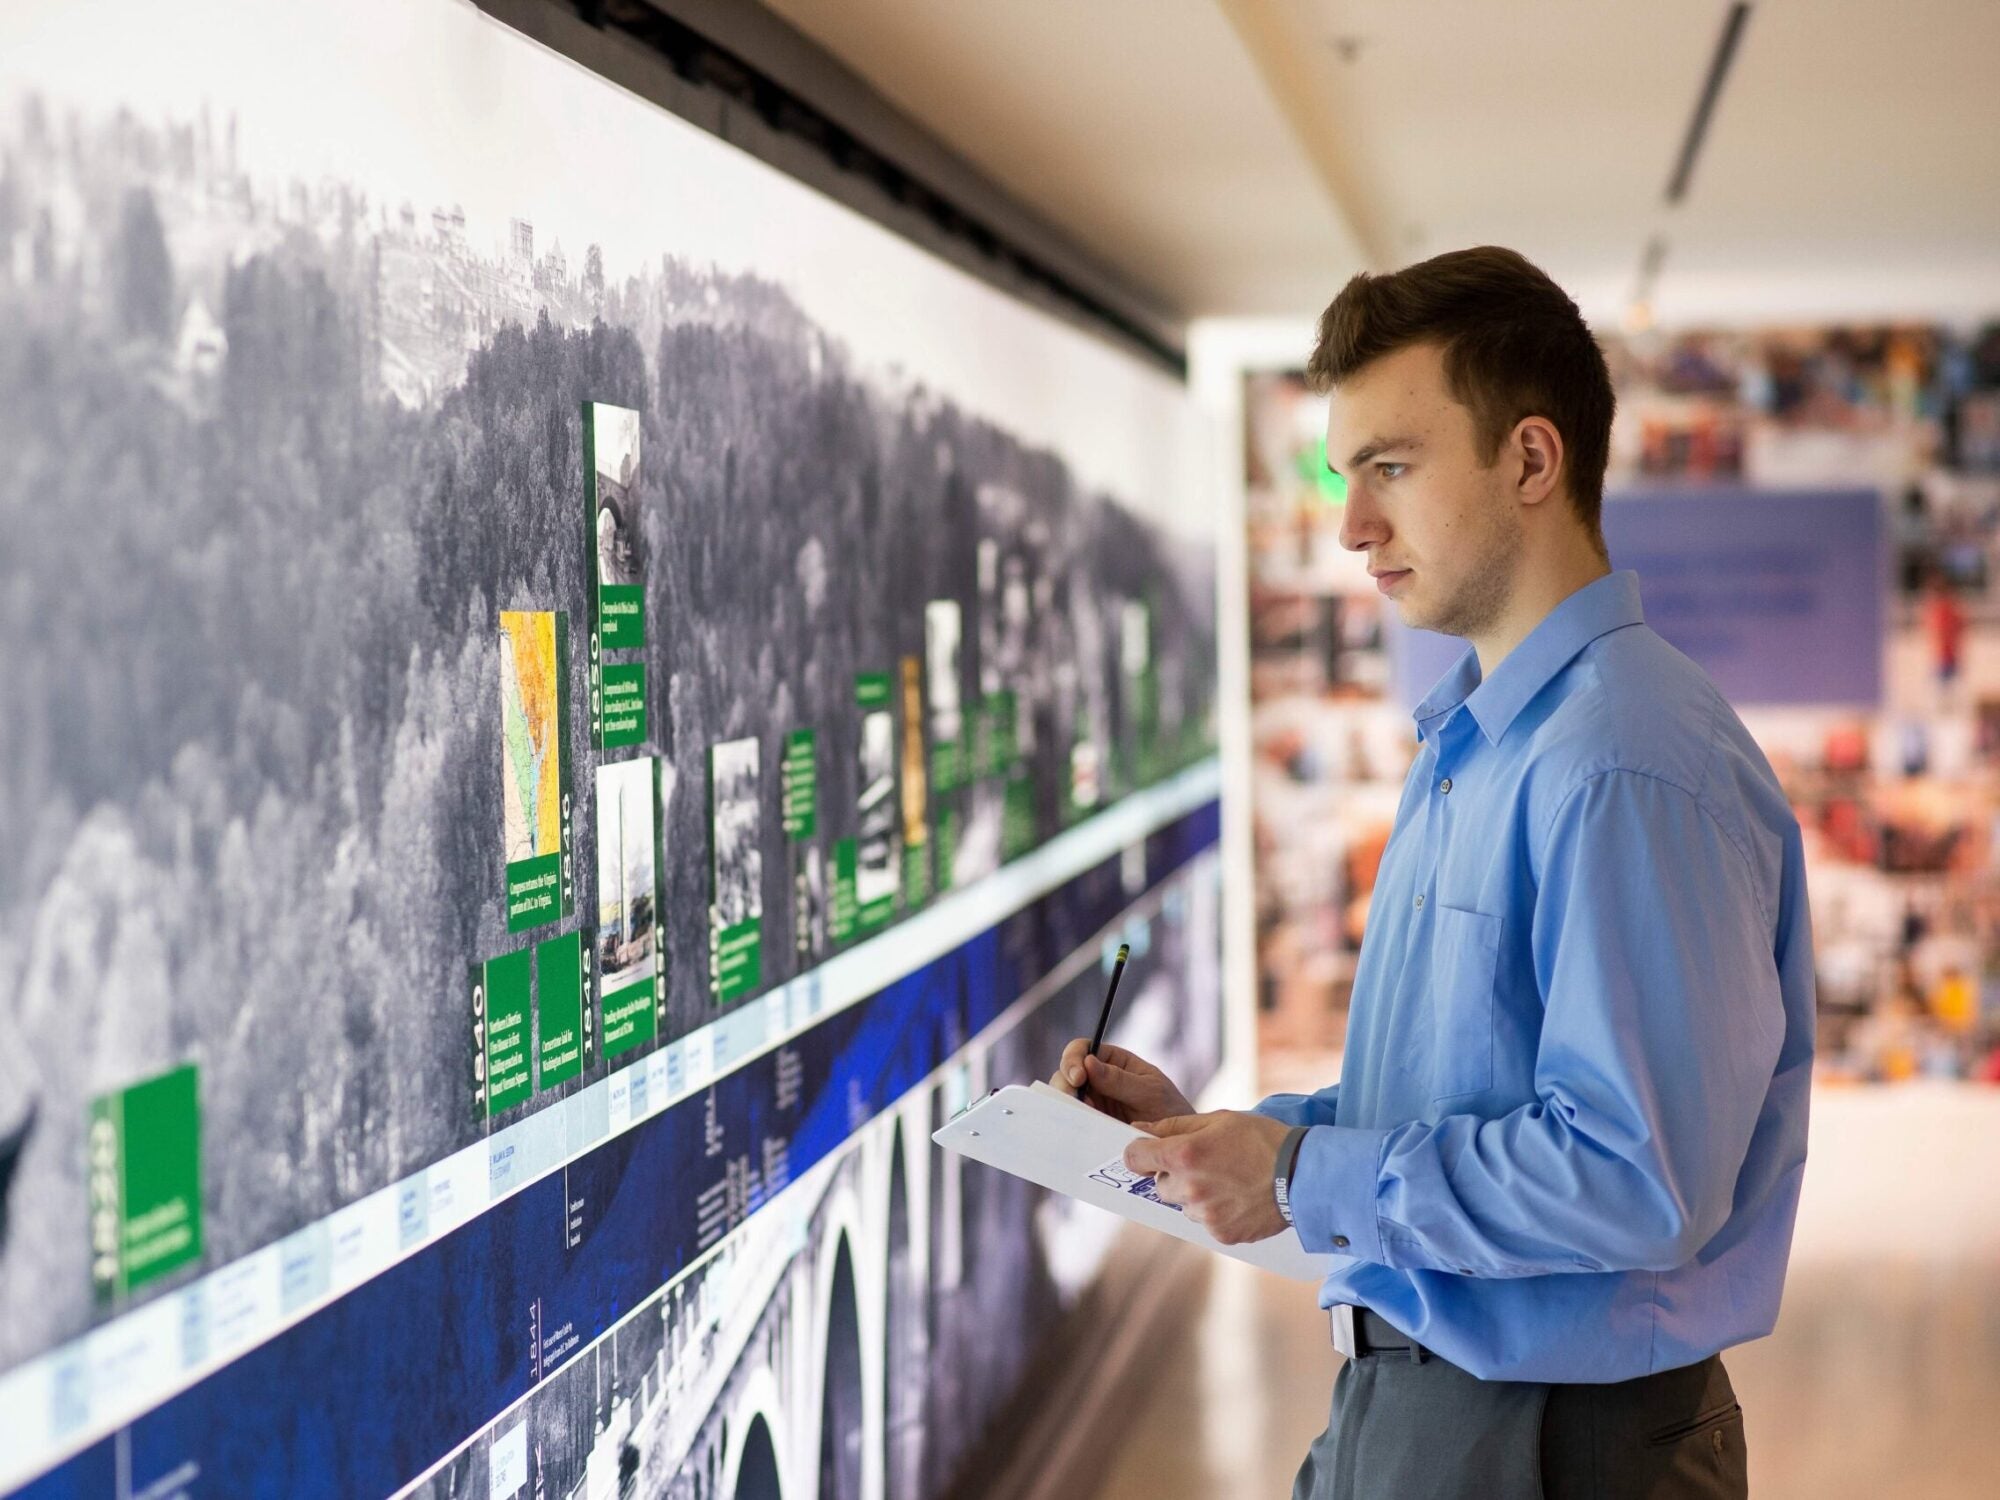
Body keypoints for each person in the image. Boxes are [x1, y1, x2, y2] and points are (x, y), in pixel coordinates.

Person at [1052, 247, 1814, 1500]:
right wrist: (1231, 1142)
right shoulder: (1478, 743)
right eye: (1343, 476)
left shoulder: (1622, 763)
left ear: (1530, 461)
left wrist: (1294, 1177)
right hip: (1416, 1405)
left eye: (1390, 469)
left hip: (1546, 1443)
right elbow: (1460, 1096)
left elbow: (1635, 1181)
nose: (1351, 526)